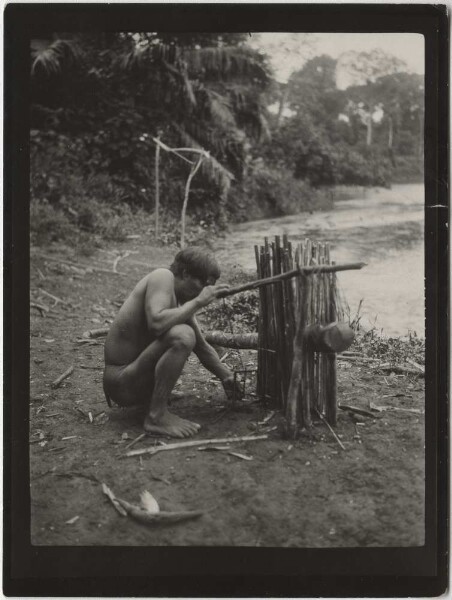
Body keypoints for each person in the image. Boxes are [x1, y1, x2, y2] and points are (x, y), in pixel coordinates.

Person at [103, 247, 241, 438]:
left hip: (135, 381)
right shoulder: (162, 276)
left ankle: (154, 404)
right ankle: (156, 416)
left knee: (188, 334)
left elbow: (201, 347)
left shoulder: (178, 304)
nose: (203, 293)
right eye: (203, 285)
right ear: (185, 273)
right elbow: (156, 323)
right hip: (122, 382)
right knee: (183, 335)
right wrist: (198, 302)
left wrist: (226, 376)